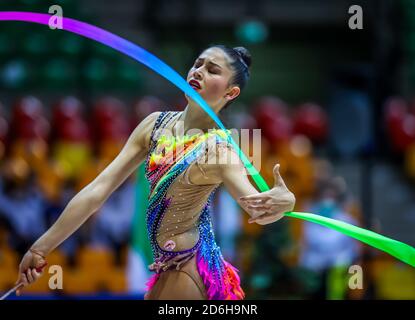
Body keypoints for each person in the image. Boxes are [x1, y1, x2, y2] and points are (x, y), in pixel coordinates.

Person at [15, 45, 296, 299]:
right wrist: (40, 248)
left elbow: (256, 207)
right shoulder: (154, 126)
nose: (199, 71)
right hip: (166, 267)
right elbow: (97, 191)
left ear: (230, 93)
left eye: (212, 70)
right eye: (198, 64)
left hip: (191, 268)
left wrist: (285, 202)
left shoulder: (220, 149)